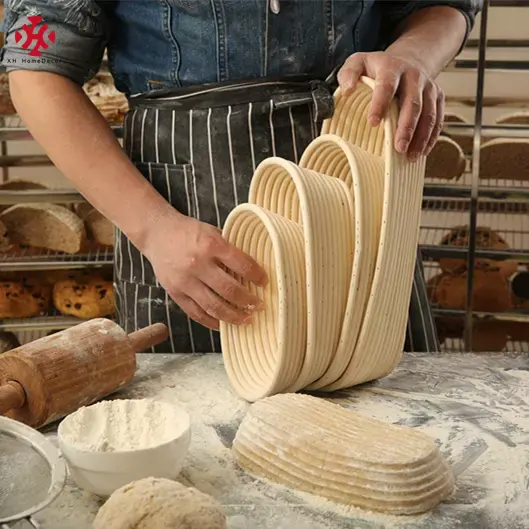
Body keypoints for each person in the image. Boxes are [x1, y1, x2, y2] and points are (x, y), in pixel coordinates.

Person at [1, 0, 481, 354]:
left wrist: (415, 54)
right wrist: (152, 226)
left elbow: (442, 5)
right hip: (184, 213)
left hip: (356, 180)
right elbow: (35, 69)